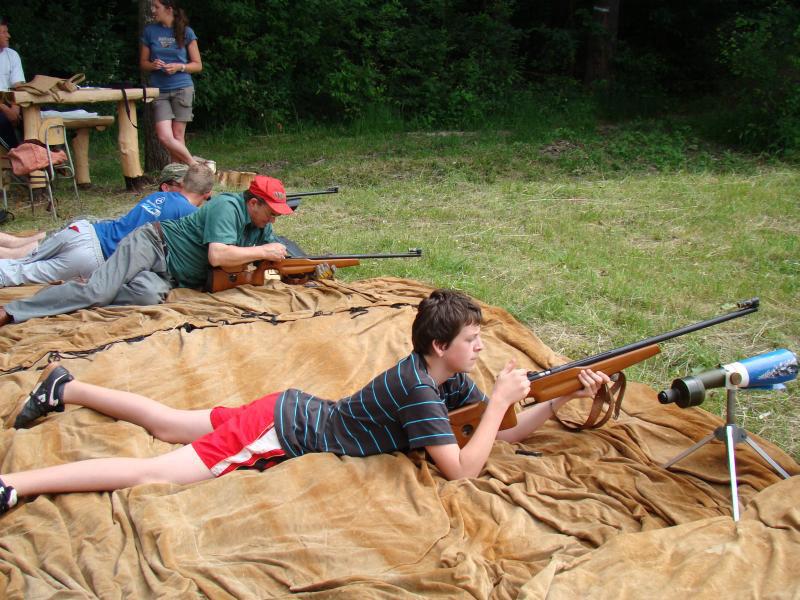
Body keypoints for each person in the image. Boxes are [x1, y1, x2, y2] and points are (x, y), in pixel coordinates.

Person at [0, 288, 610, 513]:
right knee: (154, 473)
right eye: (472, 341)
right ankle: (15, 484)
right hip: (280, 431)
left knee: (165, 424)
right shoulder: (422, 391)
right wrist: (501, 399)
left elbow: (497, 435)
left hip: (284, 411)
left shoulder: (444, 379)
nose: (480, 349)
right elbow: (462, 470)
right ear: (440, 346)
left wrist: (557, 398)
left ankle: (65, 386)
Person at [0, 175, 293, 327]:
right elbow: (218, 255)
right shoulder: (227, 207)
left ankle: (83, 290)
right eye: (271, 212)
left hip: (169, 276)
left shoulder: (260, 225)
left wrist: (287, 265)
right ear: (253, 203)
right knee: (98, 292)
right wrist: (263, 251)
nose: (273, 220)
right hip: (153, 244)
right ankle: (12, 312)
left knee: (146, 297)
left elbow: (270, 261)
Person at [0, 163, 213, 288]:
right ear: (207, 194)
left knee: (20, 261)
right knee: (16, 275)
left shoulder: (158, 196)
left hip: (84, 230)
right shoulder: (190, 215)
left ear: (183, 183)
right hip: (96, 255)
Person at [140, 0, 202, 165]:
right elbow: (143, 63)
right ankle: (194, 165)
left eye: (156, 7)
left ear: (169, 9)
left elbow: (197, 65)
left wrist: (179, 67)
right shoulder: (150, 31)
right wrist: (153, 65)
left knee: (177, 136)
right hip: (159, 90)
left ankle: (177, 175)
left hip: (182, 88)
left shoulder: (186, 32)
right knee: (164, 136)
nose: (153, 10)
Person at [0, 15, 25, 149]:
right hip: (2, 106)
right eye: (4, 32)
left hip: (10, 100)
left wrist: (15, 108)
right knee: (2, 121)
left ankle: (42, 153)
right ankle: (15, 153)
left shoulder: (12, 55)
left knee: (34, 114)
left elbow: (18, 86)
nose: (8, 36)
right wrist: (7, 110)